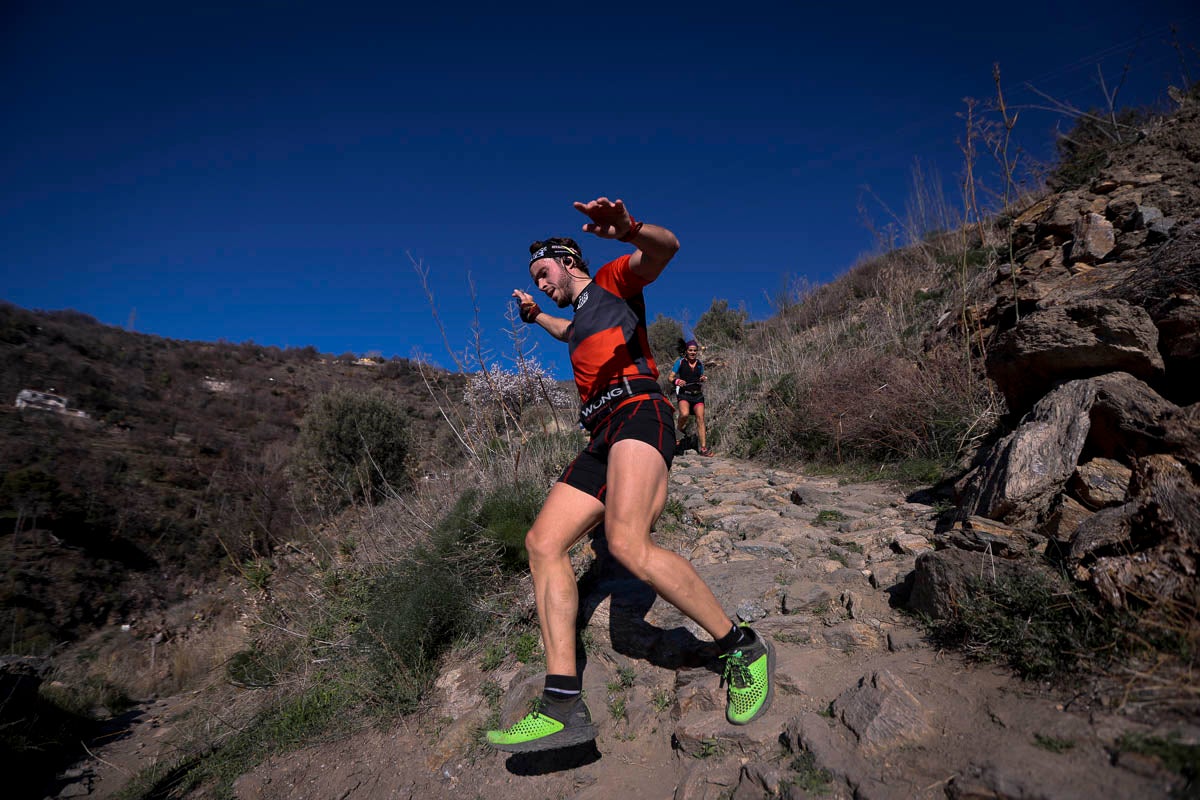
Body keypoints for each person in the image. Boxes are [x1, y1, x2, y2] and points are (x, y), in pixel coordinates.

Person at [486, 197, 774, 754]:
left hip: (640, 410)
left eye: (542, 274)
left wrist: (632, 230)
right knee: (542, 543)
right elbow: (565, 333)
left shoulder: (614, 282)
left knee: (625, 542)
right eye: (534, 280)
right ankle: (563, 704)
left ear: (569, 260)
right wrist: (532, 315)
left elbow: (665, 249)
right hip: (599, 432)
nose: (540, 284)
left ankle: (742, 647)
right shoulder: (578, 321)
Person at [669, 340, 711, 456]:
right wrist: (677, 381)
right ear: (686, 351)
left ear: (697, 352)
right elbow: (670, 377)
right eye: (690, 350)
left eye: (694, 350)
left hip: (697, 395)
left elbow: (700, 376)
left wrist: (702, 378)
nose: (692, 352)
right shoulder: (680, 362)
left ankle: (703, 449)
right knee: (684, 414)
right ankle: (678, 432)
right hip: (684, 394)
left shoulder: (699, 364)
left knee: (700, 419)